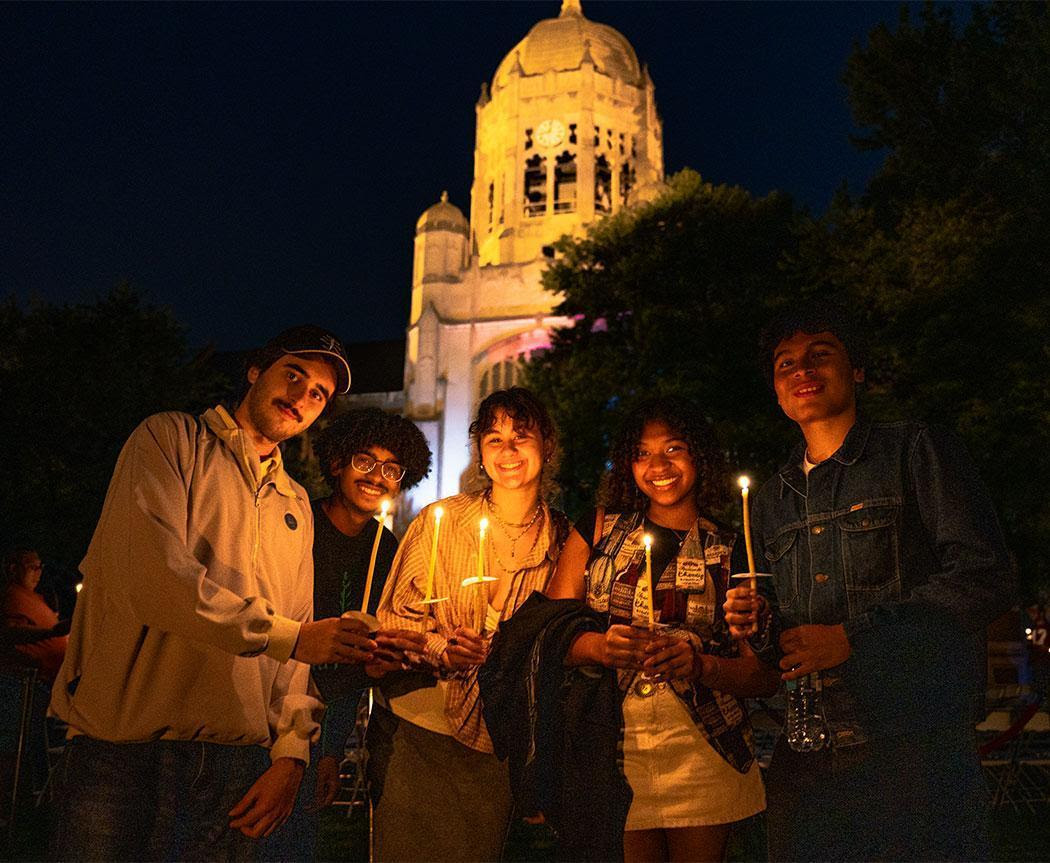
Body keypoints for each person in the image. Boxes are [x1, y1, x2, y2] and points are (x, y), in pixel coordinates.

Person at [49, 325, 383, 861]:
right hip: (125, 750)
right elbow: (155, 579)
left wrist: (292, 754)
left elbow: (296, 650)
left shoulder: (295, 502)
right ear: (254, 371)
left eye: (318, 393)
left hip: (232, 762)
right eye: (292, 375)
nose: (302, 397)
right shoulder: (169, 440)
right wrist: (291, 637)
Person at [723, 301, 1015, 861]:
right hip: (810, 754)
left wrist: (855, 638)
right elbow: (777, 641)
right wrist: (758, 626)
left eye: (820, 355)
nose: (802, 370)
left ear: (856, 368)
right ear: (776, 391)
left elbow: (984, 576)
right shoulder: (767, 501)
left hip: (912, 745)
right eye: (785, 364)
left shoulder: (915, 450)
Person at [543, 396, 776, 863]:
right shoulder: (600, 533)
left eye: (673, 449)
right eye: (642, 454)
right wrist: (597, 646)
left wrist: (700, 664)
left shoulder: (734, 548)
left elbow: (763, 677)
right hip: (614, 748)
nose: (658, 466)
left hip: (705, 750)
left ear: (699, 456)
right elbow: (547, 635)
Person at [369, 387, 568, 863]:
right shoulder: (443, 521)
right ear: (480, 451)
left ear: (548, 447)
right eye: (494, 438)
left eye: (521, 436)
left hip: (495, 736)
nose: (508, 450)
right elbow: (393, 619)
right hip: (418, 729)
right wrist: (440, 648)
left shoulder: (562, 540)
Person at [262, 407, 431, 861]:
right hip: (262, 715)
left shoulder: (387, 548)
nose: (377, 476)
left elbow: (355, 665)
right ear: (337, 463)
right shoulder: (297, 524)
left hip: (321, 728)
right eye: (365, 462)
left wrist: (334, 750)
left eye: (391, 469)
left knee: (297, 844)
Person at [2, 547, 68, 680]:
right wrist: (52, 633)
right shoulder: (10, 596)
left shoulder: (35, 598)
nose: (38, 573)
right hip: (31, 683)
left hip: (53, 679)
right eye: (32, 568)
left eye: (40, 567)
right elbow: (11, 631)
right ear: (14, 569)